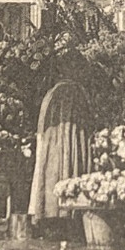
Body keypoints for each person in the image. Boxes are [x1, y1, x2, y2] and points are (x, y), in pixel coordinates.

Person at [27, 51, 95, 226]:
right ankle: (68, 211)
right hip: (66, 141)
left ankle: (50, 210)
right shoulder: (75, 92)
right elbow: (83, 125)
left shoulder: (53, 92)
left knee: (51, 166)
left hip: (51, 143)